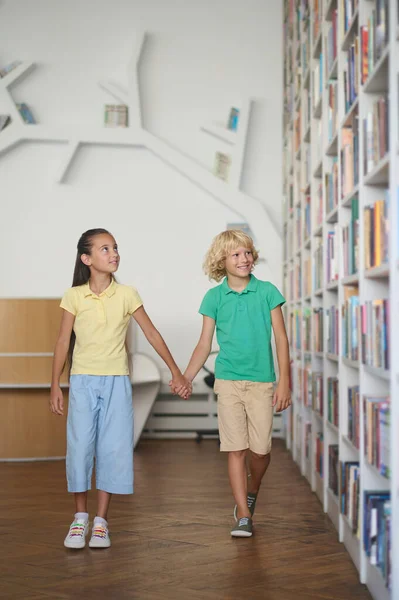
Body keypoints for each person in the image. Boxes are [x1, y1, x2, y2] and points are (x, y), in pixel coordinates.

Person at [50, 228, 191, 549]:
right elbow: (62, 341)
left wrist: (176, 372)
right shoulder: (73, 296)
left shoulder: (127, 294)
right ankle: (79, 518)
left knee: (113, 449)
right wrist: (54, 384)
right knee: (80, 448)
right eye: (104, 249)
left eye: (114, 248)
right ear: (87, 259)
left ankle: (101, 522)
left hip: (116, 381)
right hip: (83, 381)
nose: (113, 253)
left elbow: (153, 333)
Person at [180, 229, 291, 537]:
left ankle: (253, 488)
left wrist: (285, 382)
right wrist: (186, 377)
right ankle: (243, 514)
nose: (244, 259)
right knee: (236, 449)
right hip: (228, 380)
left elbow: (281, 340)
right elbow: (204, 344)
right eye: (235, 254)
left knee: (261, 450)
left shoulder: (268, 291)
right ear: (222, 261)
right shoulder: (214, 297)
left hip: (262, 383)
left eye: (247, 252)